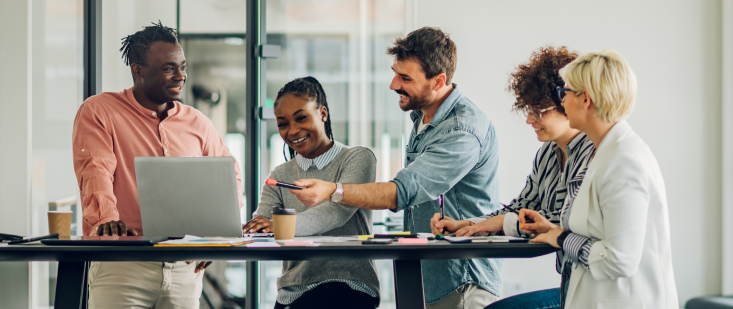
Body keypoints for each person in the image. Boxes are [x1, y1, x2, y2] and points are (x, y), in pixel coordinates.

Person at [284, 27, 503, 309]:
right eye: (395, 73)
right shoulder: (423, 118)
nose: (393, 84)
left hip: (462, 283)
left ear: (438, 81)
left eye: (405, 78)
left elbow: (403, 192)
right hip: (428, 277)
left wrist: (332, 190)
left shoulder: (462, 130)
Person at [72, 21, 243, 308]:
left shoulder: (197, 122)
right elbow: (95, 170)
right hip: (123, 266)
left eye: (182, 66)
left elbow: (229, 177)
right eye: (168, 68)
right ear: (137, 70)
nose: (180, 76)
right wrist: (106, 219)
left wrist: (216, 234)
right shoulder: (100, 111)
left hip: (185, 269)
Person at [430, 46, 594, 309]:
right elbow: (521, 209)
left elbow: (560, 223)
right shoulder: (548, 154)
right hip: (571, 284)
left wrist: (489, 225)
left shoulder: (592, 154)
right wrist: (470, 224)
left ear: (567, 103)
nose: (529, 119)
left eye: (539, 111)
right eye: (528, 110)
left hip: (592, 290)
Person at [522, 51, 679, 309]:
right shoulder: (604, 152)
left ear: (585, 98)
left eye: (565, 94)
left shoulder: (624, 161)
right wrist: (554, 231)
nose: (562, 102)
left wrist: (561, 238)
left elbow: (619, 259)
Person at [241, 77, 380, 309]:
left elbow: (337, 212)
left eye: (301, 118)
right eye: (283, 123)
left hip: (348, 284)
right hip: (291, 293)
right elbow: (262, 224)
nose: (293, 131)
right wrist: (253, 228)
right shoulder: (281, 174)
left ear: (323, 113)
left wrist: (281, 226)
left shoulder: (358, 158)